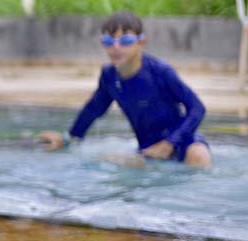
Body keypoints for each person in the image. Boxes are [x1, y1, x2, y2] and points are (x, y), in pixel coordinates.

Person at [37, 10, 212, 168]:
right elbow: (93, 110)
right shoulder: (109, 76)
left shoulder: (160, 71)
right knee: (102, 162)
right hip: (147, 151)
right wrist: (68, 139)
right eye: (109, 41)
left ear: (141, 42)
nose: (116, 48)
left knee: (199, 155)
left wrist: (169, 144)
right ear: (102, 43)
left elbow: (197, 108)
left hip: (182, 142)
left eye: (126, 40)